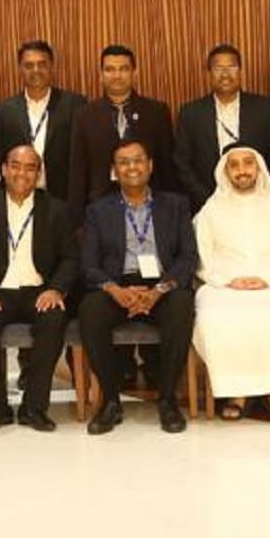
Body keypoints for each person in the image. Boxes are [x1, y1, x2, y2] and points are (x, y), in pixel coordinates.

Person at [78, 138, 197, 435]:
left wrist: (159, 290)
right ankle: (110, 400)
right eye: (124, 162)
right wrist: (114, 290)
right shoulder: (98, 210)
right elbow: (89, 264)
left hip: (163, 285)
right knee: (91, 309)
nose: (132, 167)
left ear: (150, 165)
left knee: (182, 305)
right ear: (114, 171)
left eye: (138, 160)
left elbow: (188, 257)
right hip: (118, 285)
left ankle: (167, 399)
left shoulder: (176, 205)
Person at [0, 143, 78, 433]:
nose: (22, 173)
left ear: (39, 173)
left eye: (30, 168)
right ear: (4, 169)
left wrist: (56, 289)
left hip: (40, 290)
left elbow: (70, 258)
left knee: (54, 319)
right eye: (15, 166)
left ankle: (34, 408)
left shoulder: (56, 209)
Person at [191, 145, 270, 421]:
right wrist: (228, 280)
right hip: (223, 284)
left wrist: (267, 278)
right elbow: (202, 255)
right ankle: (236, 392)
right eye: (234, 165)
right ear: (225, 171)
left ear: (258, 169)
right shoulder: (211, 210)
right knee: (215, 320)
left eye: (248, 163)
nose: (242, 170)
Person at [66, 44, 176, 217]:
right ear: (101, 75)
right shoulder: (85, 115)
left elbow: (167, 168)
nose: (117, 76)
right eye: (110, 69)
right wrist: (76, 219)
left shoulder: (156, 112)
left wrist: (169, 211)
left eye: (123, 69)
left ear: (134, 73)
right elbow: (78, 173)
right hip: (100, 209)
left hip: (148, 207)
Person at [175, 43, 270, 211]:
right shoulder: (191, 113)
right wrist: (208, 199)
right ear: (209, 73)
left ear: (240, 71)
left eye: (231, 67)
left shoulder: (264, 107)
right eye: (218, 68)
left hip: (258, 203)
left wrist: (261, 192)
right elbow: (182, 162)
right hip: (208, 205)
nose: (225, 74)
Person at [0, 40, 87, 202]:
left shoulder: (74, 105)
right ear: (20, 69)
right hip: (18, 200)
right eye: (29, 65)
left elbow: (83, 158)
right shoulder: (4, 111)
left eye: (42, 64)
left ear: (51, 66)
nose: (36, 70)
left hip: (63, 200)